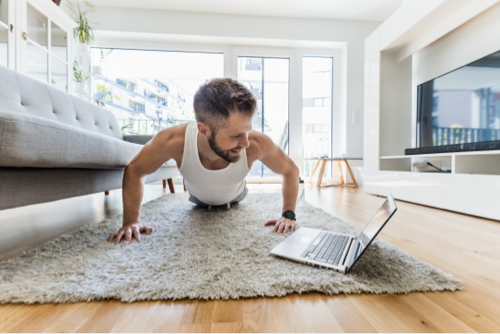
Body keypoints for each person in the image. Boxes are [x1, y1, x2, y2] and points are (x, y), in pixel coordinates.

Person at [108, 78, 299, 245]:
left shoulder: (257, 144)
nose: (246, 142)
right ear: (203, 130)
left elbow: (290, 170)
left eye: (247, 131)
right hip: (197, 200)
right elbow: (135, 169)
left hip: (235, 197)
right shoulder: (174, 141)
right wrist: (130, 222)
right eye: (235, 135)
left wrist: (288, 215)